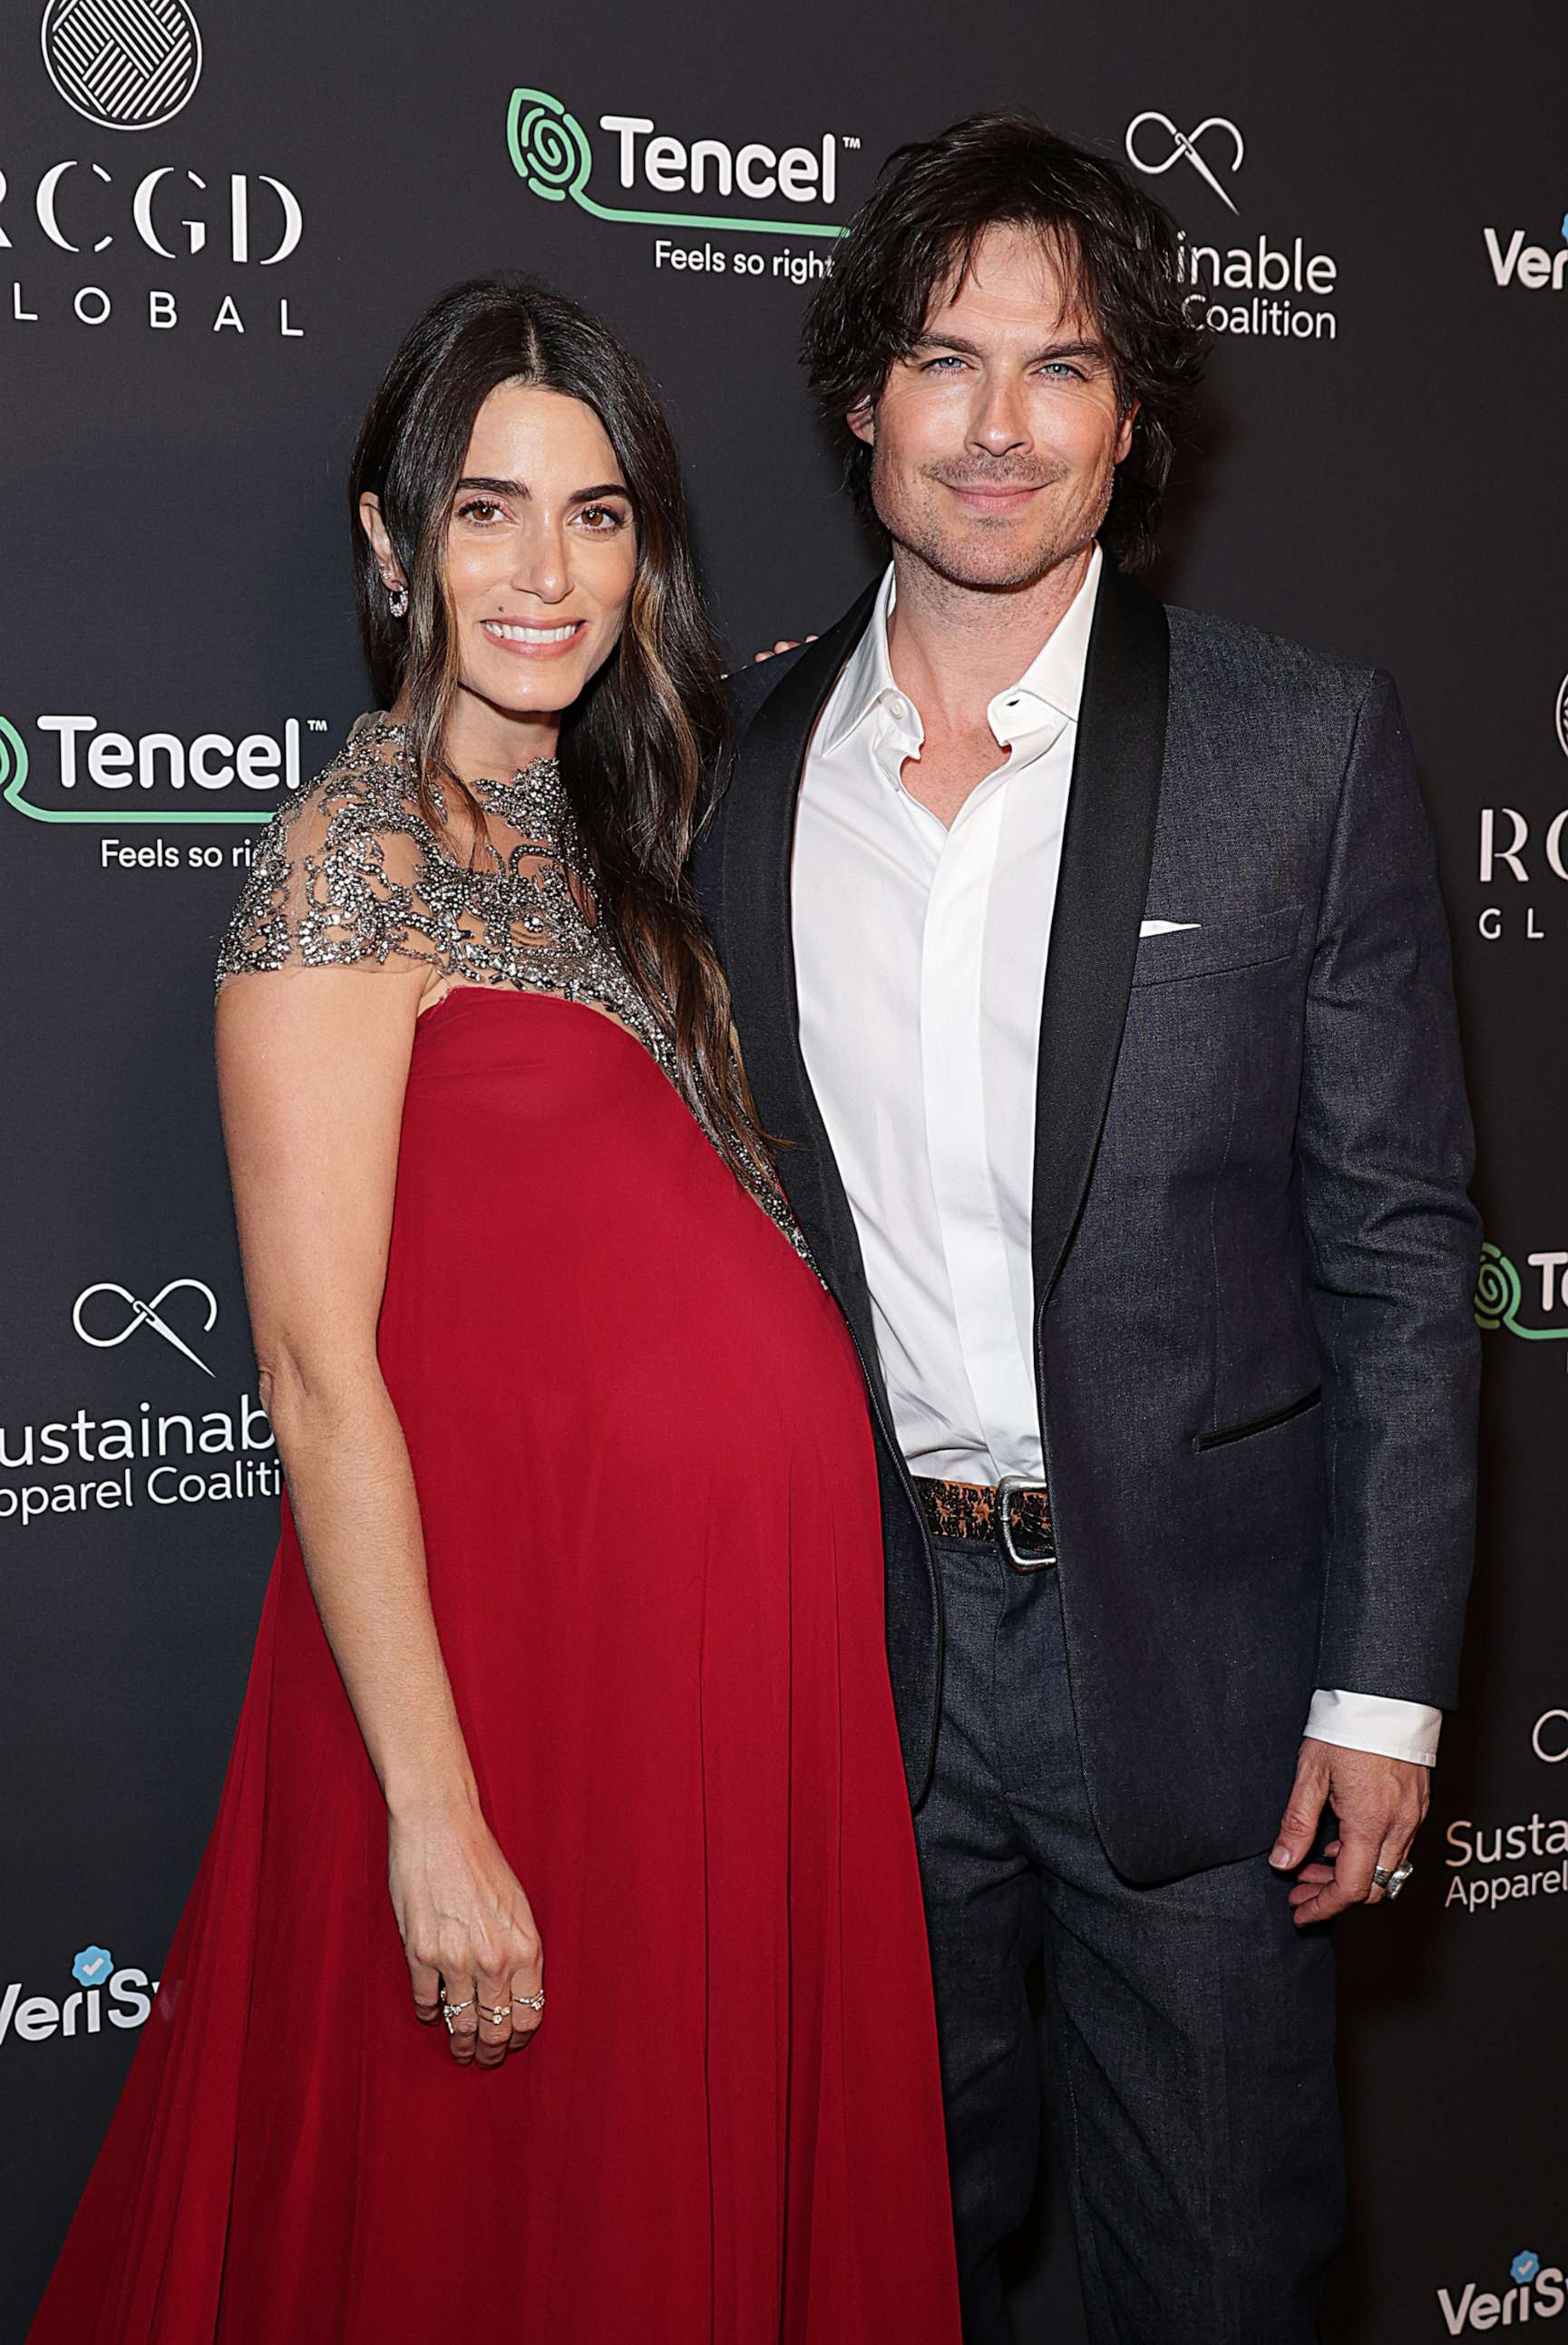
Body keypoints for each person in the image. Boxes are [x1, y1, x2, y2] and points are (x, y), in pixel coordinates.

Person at [26, 277, 961, 2345]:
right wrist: (436, 1824)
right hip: (525, 1695)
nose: (548, 571)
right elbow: (313, 1371)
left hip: (722, 1681)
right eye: (485, 510)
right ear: (390, 543)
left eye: (600, 514)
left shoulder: (620, 842)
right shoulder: (343, 863)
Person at [695, 113, 1480, 2344]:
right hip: (854, 1667)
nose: (997, 426)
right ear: (866, 399)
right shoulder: (733, 769)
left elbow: (1404, 1256)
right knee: (866, 2267)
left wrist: (1382, 1692)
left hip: (1207, 1681)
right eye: (945, 359)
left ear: (1132, 417)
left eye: (1059, 369)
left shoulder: (1294, 746)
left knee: (1216, 2277)